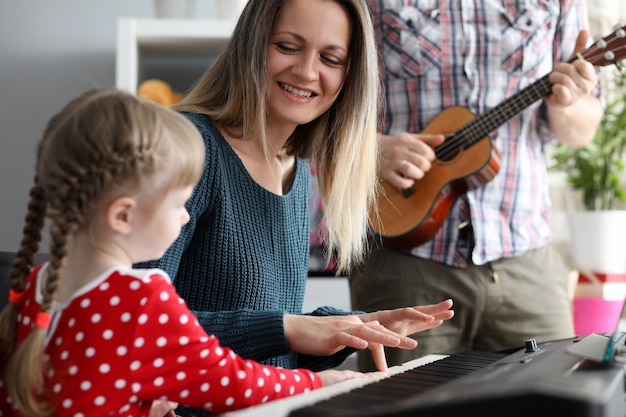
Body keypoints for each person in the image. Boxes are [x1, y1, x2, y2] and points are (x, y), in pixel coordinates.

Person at [136, 1, 454, 415]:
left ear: (349, 76)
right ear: (251, 45)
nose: (306, 72)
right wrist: (290, 328)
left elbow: (266, 355)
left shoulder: (297, 168)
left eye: (330, 58)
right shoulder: (186, 148)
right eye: (288, 46)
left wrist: (347, 330)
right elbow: (133, 326)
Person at [0, 88, 381, 417]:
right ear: (123, 215)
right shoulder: (139, 301)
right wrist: (317, 383)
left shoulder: (38, 283)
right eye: (179, 203)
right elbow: (233, 383)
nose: (186, 215)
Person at [348, 0, 604, 372]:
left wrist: (568, 103)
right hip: (404, 261)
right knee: (401, 404)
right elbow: (325, 99)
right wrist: (373, 149)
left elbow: (581, 128)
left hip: (526, 263)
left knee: (556, 397)